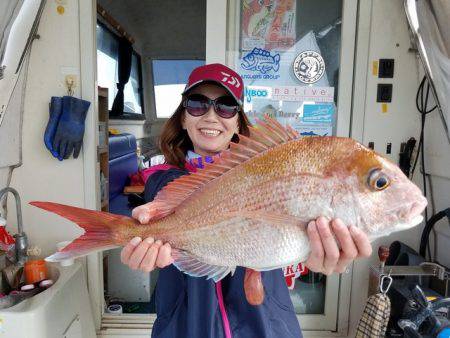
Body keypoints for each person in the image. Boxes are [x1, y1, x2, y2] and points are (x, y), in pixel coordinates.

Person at [120, 63, 372, 338]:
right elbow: (166, 189)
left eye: (226, 106)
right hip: (186, 326)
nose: (211, 116)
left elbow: (287, 241)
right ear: (182, 117)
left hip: (266, 326)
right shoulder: (162, 178)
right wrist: (149, 224)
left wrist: (312, 256)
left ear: (238, 120)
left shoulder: (267, 172)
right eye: (197, 104)